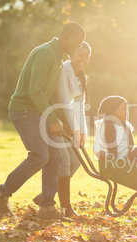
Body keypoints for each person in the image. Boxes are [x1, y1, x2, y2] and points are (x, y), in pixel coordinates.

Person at [0, 22, 86, 221]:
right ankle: (0, 195)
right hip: (23, 110)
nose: (78, 46)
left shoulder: (57, 57)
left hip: (37, 111)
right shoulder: (46, 53)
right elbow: (35, 91)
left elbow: (47, 94)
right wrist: (52, 119)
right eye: (78, 41)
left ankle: (47, 208)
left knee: (56, 157)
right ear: (67, 36)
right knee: (40, 155)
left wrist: (59, 120)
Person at [32, 41, 92, 217]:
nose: (83, 60)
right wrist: (74, 129)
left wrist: (83, 131)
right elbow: (65, 101)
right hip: (55, 119)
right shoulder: (64, 69)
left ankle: (46, 194)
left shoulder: (82, 77)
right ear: (71, 54)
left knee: (76, 160)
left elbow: (79, 106)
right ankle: (66, 208)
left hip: (69, 121)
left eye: (87, 57)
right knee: (64, 161)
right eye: (80, 55)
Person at [93, 96, 137, 161]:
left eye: (127, 110)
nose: (127, 112)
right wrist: (100, 152)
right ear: (113, 110)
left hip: (127, 159)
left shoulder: (126, 125)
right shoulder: (103, 125)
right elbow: (98, 143)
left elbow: (129, 146)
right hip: (112, 160)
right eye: (123, 109)